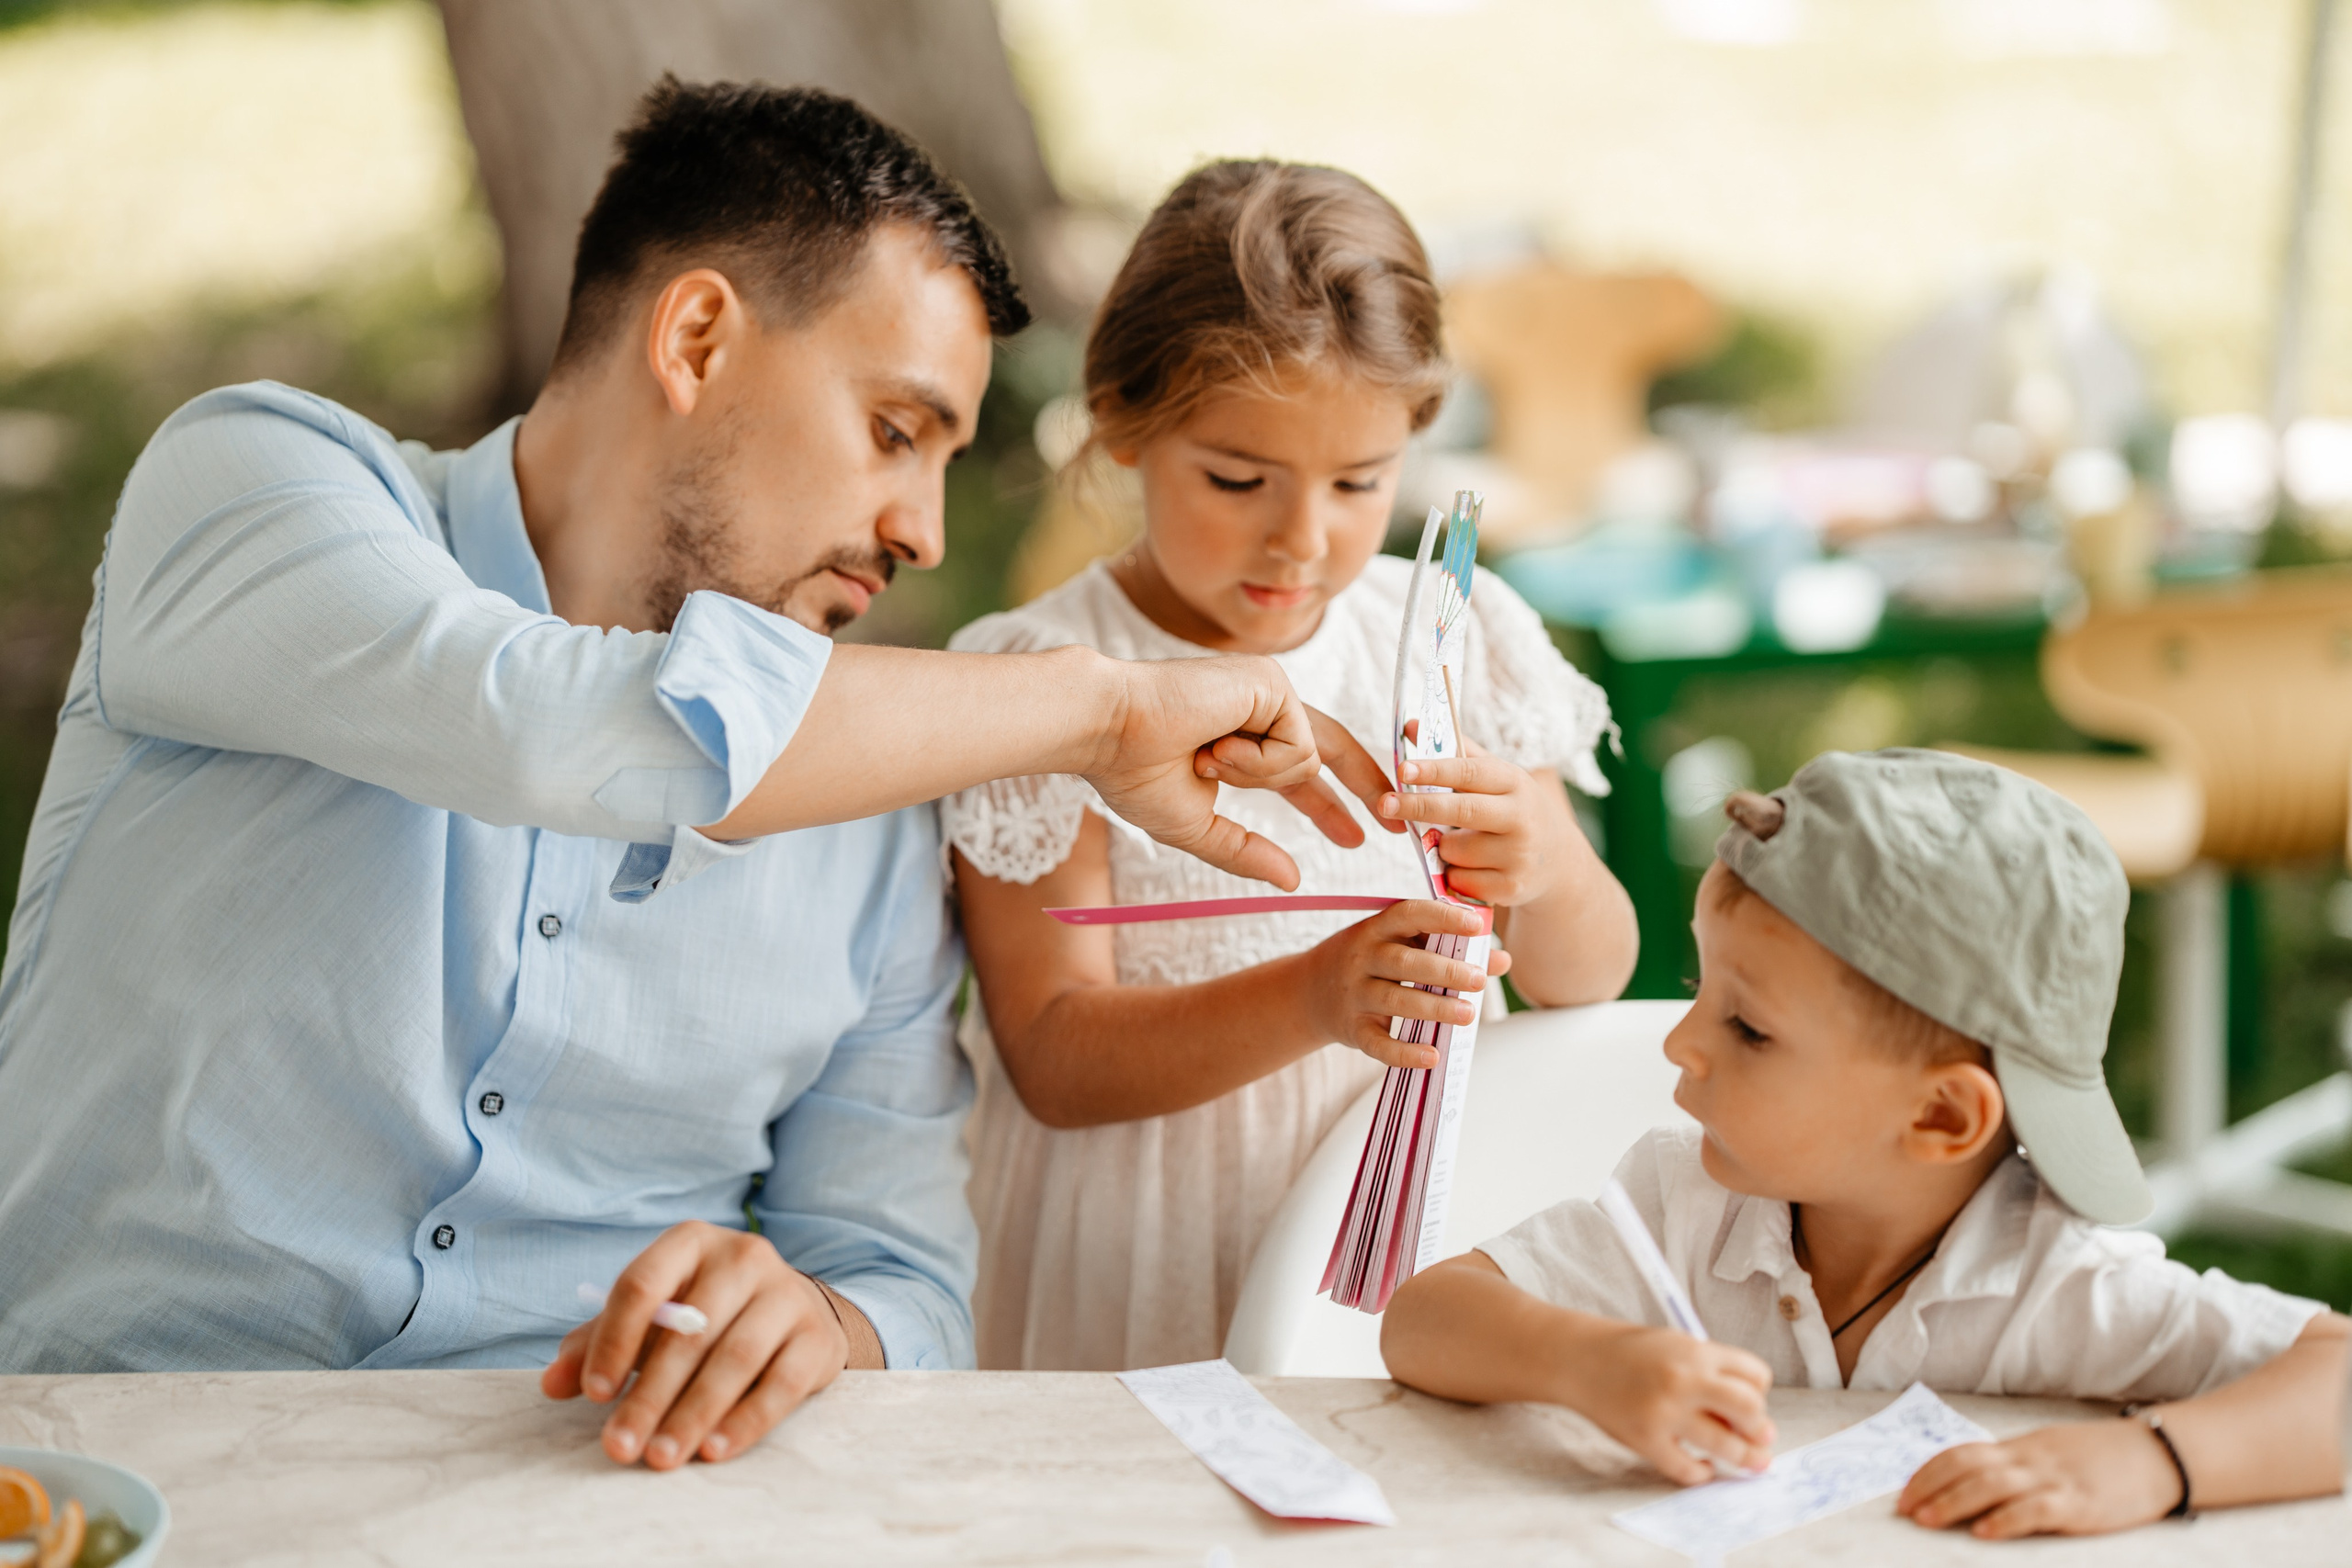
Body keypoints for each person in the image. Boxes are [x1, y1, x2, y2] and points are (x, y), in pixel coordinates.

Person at [0, 82, 1395, 1473]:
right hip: (111, 1476)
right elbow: (549, 728)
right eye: (896, 433)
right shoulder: (256, 489)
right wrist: (1101, 709)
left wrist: (819, 1319)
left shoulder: (877, 807)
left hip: (593, 1495)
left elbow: (909, 1284)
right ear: (698, 337)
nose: (919, 529)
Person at [939, 160, 1640, 1371]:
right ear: (1122, 423)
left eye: (1359, 483)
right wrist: (1316, 997)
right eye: (1237, 478)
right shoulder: (1045, 680)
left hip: (1417, 1234)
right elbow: (1053, 1050)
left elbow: (1591, 978)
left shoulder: (1449, 634)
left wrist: (1555, 869)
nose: (1302, 538)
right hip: (1144, 1245)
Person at [1381, 750, 2350, 1539]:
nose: (1679, 1043)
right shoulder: (1683, 1206)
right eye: (1699, 989)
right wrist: (1589, 1366)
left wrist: (2155, 1463)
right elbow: (1423, 1317)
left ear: (1939, 1119)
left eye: (1748, 1028)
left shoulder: (2053, 1279)